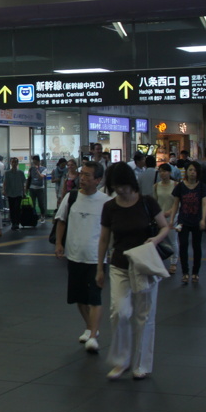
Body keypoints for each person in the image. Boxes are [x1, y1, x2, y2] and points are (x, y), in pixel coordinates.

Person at [96, 162, 169, 381]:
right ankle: (121, 361)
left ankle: (141, 364)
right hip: (119, 264)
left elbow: (165, 226)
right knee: (120, 312)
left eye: (123, 186)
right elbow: (103, 239)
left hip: (144, 265)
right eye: (116, 186)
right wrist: (100, 268)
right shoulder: (110, 208)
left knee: (144, 316)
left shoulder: (147, 202)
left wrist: (154, 240)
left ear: (132, 183)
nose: (120, 190)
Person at [53, 161, 108, 354]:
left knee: (95, 297)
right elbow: (61, 222)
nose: (82, 178)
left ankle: (93, 336)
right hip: (74, 255)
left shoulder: (106, 201)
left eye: (87, 175)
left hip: (96, 258)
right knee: (79, 297)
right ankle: (91, 327)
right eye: (81, 174)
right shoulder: (72, 197)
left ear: (98, 180)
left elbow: (110, 230)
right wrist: (59, 244)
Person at [170, 160, 206, 285]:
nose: (193, 172)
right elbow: (176, 204)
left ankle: (195, 273)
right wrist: (172, 219)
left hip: (197, 220)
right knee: (183, 245)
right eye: (190, 170)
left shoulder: (202, 186)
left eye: (195, 170)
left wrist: (203, 219)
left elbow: (204, 204)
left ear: (198, 173)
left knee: (197, 247)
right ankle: (185, 273)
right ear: (186, 172)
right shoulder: (180, 187)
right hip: (183, 220)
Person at [154, 163, 178, 275]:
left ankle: (174, 262)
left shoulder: (176, 185)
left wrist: (170, 212)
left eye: (165, 171)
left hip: (172, 216)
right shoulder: (156, 186)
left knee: (173, 240)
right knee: (161, 240)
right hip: (160, 217)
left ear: (170, 172)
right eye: (160, 171)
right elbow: (154, 202)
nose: (162, 173)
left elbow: (178, 202)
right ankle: (160, 262)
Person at [3, 158, 26, 230]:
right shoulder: (7, 173)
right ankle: (13, 223)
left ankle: (17, 223)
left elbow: (23, 183)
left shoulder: (21, 173)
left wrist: (24, 192)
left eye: (15, 162)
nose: (14, 164)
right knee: (12, 208)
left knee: (17, 208)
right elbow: (5, 183)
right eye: (13, 162)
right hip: (10, 193)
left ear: (17, 163)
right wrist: (4, 190)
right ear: (10, 163)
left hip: (18, 193)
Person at [25, 155, 48, 223]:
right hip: (32, 188)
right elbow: (29, 178)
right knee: (33, 204)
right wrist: (26, 188)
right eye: (33, 162)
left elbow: (41, 177)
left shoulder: (44, 169)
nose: (34, 164)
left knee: (41, 203)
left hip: (40, 188)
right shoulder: (31, 169)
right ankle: (34, 216)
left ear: (39, 162)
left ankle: (42, 216)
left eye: (35, 162)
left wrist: (37, 170)